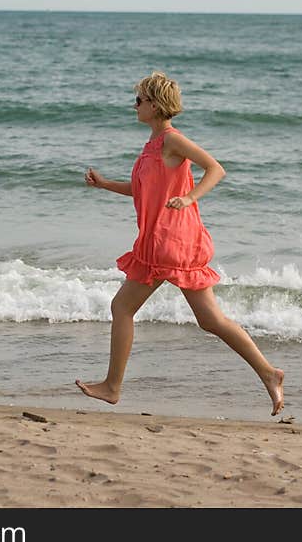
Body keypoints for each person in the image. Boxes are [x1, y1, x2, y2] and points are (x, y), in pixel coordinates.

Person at [76, 72, 285, 416]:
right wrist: (105, 185)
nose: (135, 105)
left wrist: (189, 197)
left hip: (169, 241)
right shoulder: (153, 146)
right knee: (211, 320)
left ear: (155, 106)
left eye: (139, 100)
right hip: (162, 240)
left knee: (122, 308)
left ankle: (113, 386)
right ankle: (269, 373)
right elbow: (144, 191)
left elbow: (215, 169)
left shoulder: (173, 140)